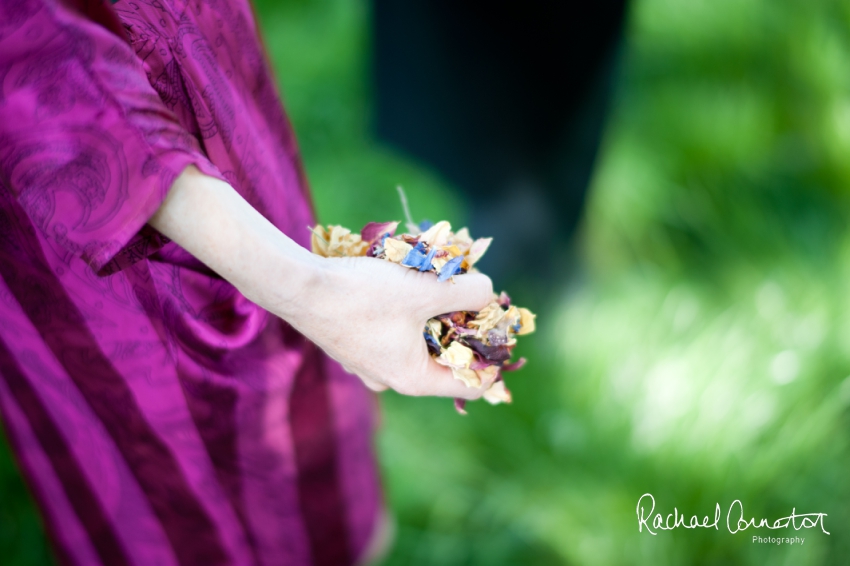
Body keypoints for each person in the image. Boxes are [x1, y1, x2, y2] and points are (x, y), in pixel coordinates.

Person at [0, 0, 494, 564]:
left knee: (306, 417)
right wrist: (309, 290)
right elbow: (36, 64)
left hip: (198, 55)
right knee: (178, 461)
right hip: (95, 195)